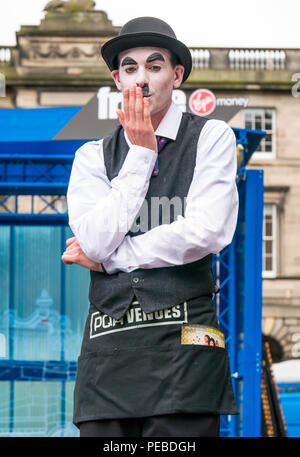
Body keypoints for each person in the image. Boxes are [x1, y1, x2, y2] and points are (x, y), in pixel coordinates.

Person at [62, 16, 239, 438]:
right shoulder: (92, 156)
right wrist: (140, 154)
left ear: (176, 75)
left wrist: (113, 260)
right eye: (130, 68)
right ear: (116, 78)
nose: (141, 79)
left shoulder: (211, 136)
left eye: (155, 66)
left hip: (188, 342)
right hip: (109, 346)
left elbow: (208, 231)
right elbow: (94, 239)